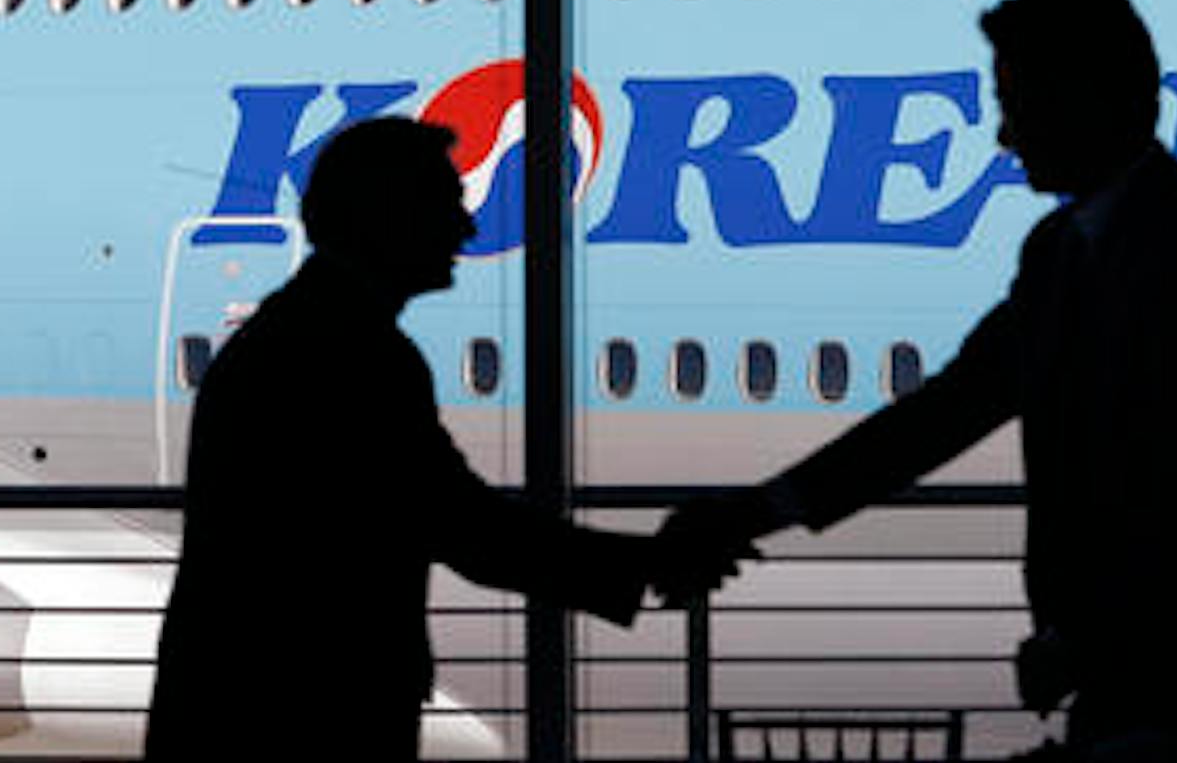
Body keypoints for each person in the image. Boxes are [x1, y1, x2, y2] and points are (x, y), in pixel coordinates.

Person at [662, 0, 1177, 761]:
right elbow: (946, 410)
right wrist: (757, 511)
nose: (1006, 135)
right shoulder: (1064, 252)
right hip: (1126, 685)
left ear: (1084, 100)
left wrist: (1082, 636)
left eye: (1018, 101)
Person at [145, 117, 738, 761]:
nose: (467, 227)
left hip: (247, 707)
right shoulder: (352, 355)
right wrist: (650, 562)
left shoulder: (300, 337)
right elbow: (465, 526)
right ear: (386, 218)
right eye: (445, 204)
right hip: (300, 716)